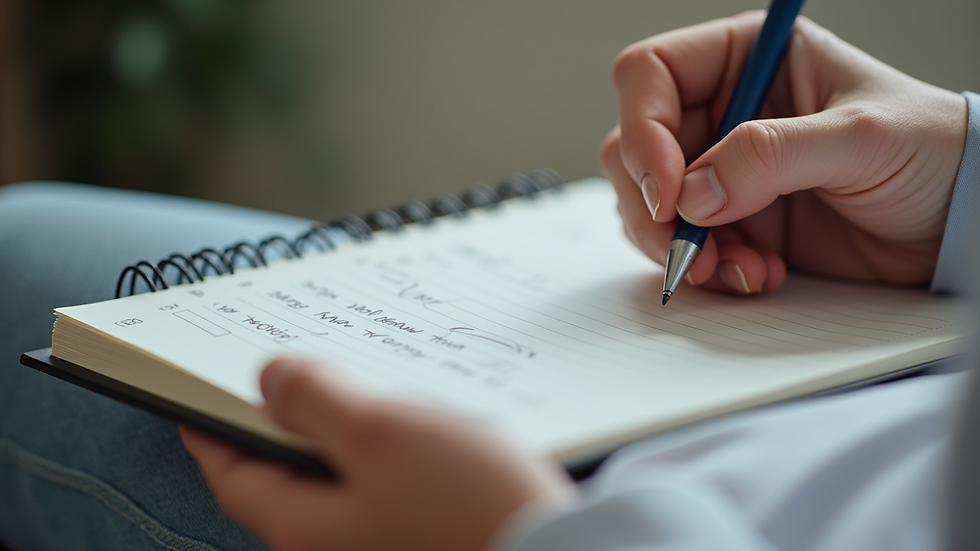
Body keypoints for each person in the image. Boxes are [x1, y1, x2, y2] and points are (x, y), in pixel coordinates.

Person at [0, 11, 976, 551]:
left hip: (576, 514)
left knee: (15, 248)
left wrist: (519, 536)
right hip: (887, 378)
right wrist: (959, 193)